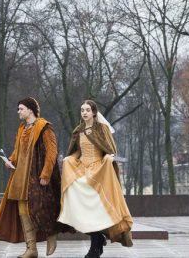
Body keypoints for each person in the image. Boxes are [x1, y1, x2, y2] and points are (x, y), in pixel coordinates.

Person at [0, 97, 65, 258]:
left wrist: (45, 174)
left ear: (30, 110)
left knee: (40, 208)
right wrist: (10, 160)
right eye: (18, 109)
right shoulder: (22, 129)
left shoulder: (44, 127)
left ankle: (51, 234)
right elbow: (18, 150)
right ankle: (31, 249)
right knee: (23, 210)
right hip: (20, 177)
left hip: (37, 176)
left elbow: (52, 153)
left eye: (21, 109)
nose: (18, 112)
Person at [58, 100, 133, 258]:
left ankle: (96, 245)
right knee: (83, 208)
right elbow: (77, 152)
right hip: (83, 169)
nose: (84, 113)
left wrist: (108, 159)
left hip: (99, 171)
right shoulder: (78, 130)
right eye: (82, 110)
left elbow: (109, 150)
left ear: (93, 112)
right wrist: (69, 160)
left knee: (97, 210)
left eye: (87, 110)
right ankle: (97, 240)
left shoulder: (101, 129)